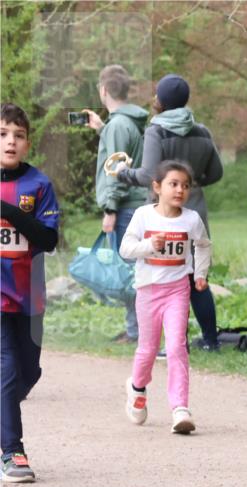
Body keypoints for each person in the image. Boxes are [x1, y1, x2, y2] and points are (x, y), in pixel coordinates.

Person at [115, 73, 223, 351]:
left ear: (160, 100)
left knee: (167, 277)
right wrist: (191, 184)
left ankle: (176, 343)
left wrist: (123, 173)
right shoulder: (202, 131)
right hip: (194, 210)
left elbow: (148, 174)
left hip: (164, 214)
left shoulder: (157, 131)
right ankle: (211, 340)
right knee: (197, 278)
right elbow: (216, 172)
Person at [120, 160, 212, 434]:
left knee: (176, 347)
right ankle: (137, 388)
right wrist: (149, 245)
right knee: (148, 349)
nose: (180, 190)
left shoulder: (191, 219)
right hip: (148, 292)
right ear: (157, 187)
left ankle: (180, 408)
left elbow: (203, 245)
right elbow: (126, 249)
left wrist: (200, 273)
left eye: (185, 185)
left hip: (177, 291)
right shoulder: (143, 215)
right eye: (174, 184)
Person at [0, 103, 60, 482]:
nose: (10, 142)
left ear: (28, 143)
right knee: (6, 367)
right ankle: (13, 452)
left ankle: (4, 413)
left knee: (28, 371)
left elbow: (49, 239)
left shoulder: (39, 185)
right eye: (3, 134)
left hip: (30, 295)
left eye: (18, 135)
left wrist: (8, 212)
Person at [82, 64, 148, 343]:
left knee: (129, 272)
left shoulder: (118, 125)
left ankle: (137, 332)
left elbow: (117, 172)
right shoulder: (124, 123)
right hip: (132, 204)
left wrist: (110, 209)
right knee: (132, 270)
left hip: (125, 206)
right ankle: (135, 329)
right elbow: (122, 157)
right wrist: (102, 129)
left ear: (103, 90)